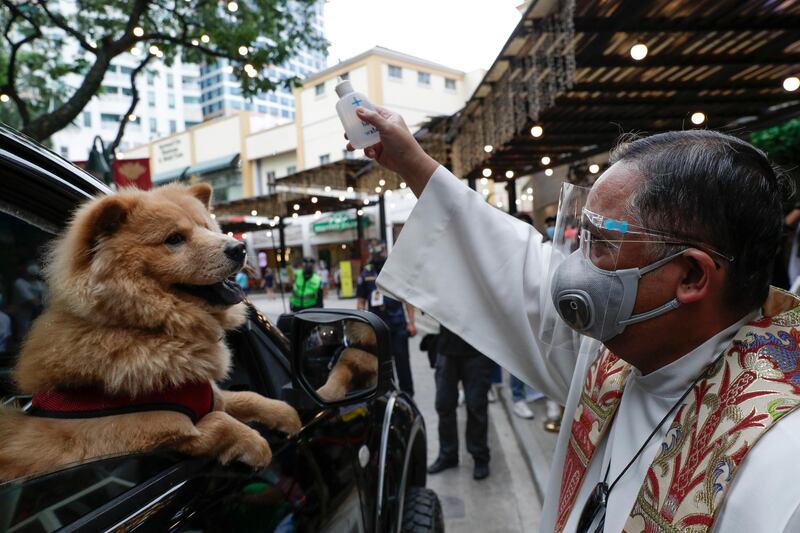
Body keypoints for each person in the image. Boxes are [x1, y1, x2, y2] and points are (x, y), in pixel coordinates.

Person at [349, 105, 800, 532]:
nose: (573, 269)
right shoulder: (619, 352)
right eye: (580, 237)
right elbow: (511, 262)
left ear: (692, 275)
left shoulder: (779, 460)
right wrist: (411, 162)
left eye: (602, 243)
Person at [428, 326, 493, 480]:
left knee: (476, 406)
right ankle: (448, 454)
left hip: (477, 349)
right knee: (444, 405)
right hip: (446, 348)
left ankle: (480, 456)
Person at [356, 241, 416, 396]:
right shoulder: (366, 273)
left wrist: (411, 322)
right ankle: (390, 393)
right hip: (377, 328)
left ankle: (407, 394)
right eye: (375, 252)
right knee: (383, 364)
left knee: (403, 362)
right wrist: (361, 323)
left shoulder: (396, 271)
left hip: (398, 326)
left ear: (385, 252)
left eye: (380, 252)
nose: (378, 255)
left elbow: (407, 299)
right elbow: (361, 301)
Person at [12, 262, 45, 342]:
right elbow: (33, 301)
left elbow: (47, 299)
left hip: (38, 315)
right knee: (25, 336)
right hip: (24, 315)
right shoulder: (19, 283)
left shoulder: (39, 284)